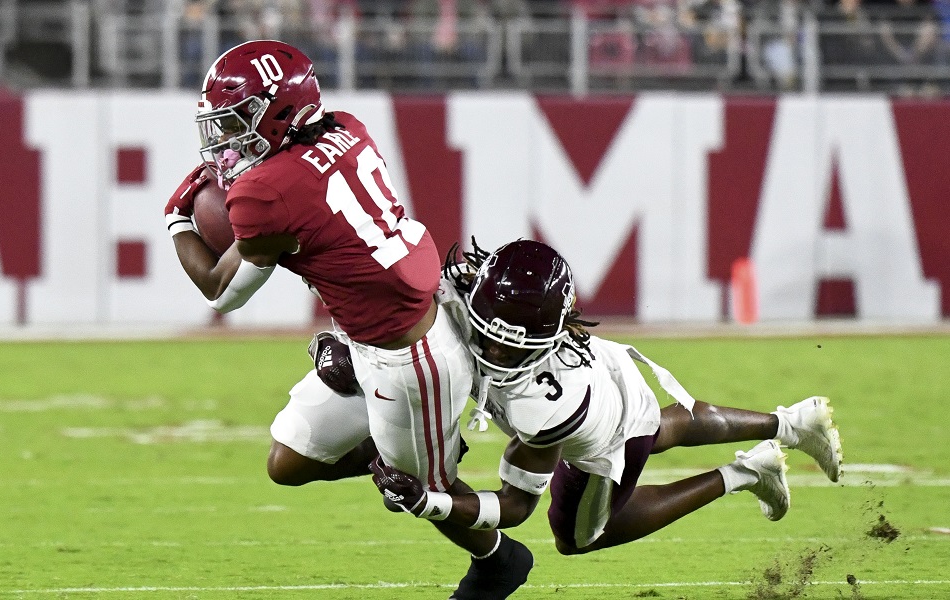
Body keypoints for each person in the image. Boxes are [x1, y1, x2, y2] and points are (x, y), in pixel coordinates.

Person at [163, 40, 531, 599]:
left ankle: (497, 560)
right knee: (286, 463)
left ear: (278, 111)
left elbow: (221, 291)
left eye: (237, 120)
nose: (223, 140)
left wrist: (175, 219)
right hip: (382, 324)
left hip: (411, 356)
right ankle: (411, 444)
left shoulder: (264, 194)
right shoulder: (346, 126)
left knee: (422, 491)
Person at [369, 239, 844, 556]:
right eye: (488, 330)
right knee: (663, 427)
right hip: (609, 370)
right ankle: (791, 424)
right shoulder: (457, 290)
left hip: (606, 428)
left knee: (577, 537)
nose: (493, 349)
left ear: (548, 338)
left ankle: (744, 473)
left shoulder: (546, 407)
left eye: (512, 343)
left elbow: (514, 507)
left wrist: (432, 504)